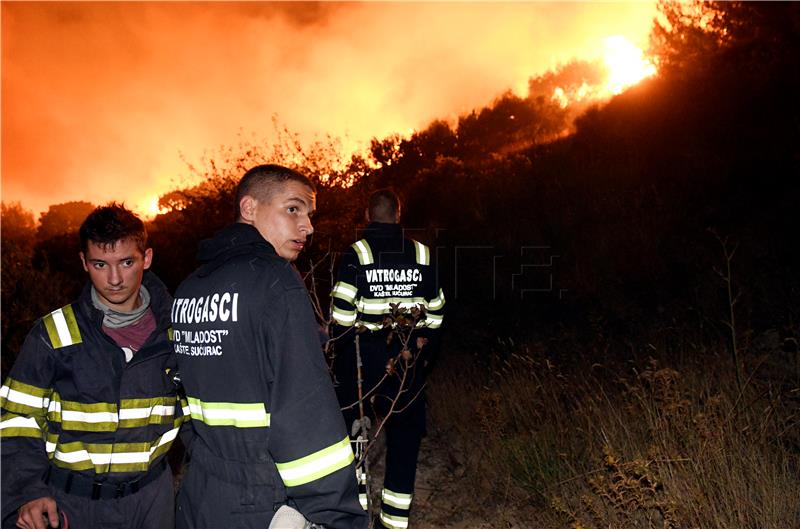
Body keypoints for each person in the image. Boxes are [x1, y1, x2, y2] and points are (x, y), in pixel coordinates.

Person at [172, 164, 367, 529]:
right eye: (293, 209)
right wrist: (337, 514)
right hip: (264, 500)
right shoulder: (275, 283)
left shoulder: (189, 288)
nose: (307, 226)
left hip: (200, 492)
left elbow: (180, 398)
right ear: (249, 208)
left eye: (309, 214)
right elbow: (304, 417)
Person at [0, 203, 186, 529]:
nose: (114, 279)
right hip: (71, 505)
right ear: (84, 263)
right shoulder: (53, 334)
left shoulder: (178, 331)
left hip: (152, 504)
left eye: (127, 262)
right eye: (101, 264)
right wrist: (26, 493)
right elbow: (17, 419)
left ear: (147, 258)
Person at [330, 189, 445, 529]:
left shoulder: (357, 254)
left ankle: (357, 514)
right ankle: (394, 522)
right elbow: (436, 312)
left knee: (355, 437)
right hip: (407, 361)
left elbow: (341, 315)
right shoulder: (423, 254)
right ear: (399, 213)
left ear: (368, 215)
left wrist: (346, 365)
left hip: (362, 365)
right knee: (405, 439)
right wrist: (424, 357)